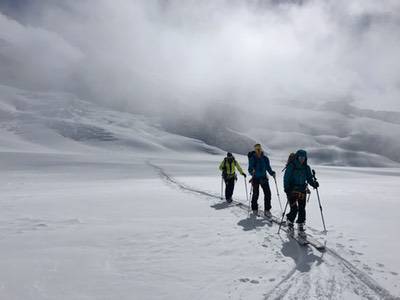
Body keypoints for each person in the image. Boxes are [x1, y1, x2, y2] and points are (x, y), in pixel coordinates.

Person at [283, 149, 319, 237]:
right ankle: (290, 221)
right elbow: (286, 178)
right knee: (294, 208)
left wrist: (313, 184)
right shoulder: (291, 166)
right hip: (292, 190)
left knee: (302, 208)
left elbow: (309, 178)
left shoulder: (307, 168)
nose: (302, 159)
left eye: (304, 157)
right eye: (300, 157)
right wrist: (286, 188)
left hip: (302, 190)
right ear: (297, 157)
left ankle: (300, 225)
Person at [247, 144, 276, 217]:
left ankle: (267, 210)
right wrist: (251, 172)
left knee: (268, 193)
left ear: (261, 149)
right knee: (256, 194)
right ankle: (254, 209)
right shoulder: (252, 158)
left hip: (263, 177)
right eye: (257, 149)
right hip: (256, 178)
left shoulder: (265, 158)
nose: (258, 151)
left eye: (259, 149)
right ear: (255, 150)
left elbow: (268, 168)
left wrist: (272, 173)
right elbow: (250, 168)